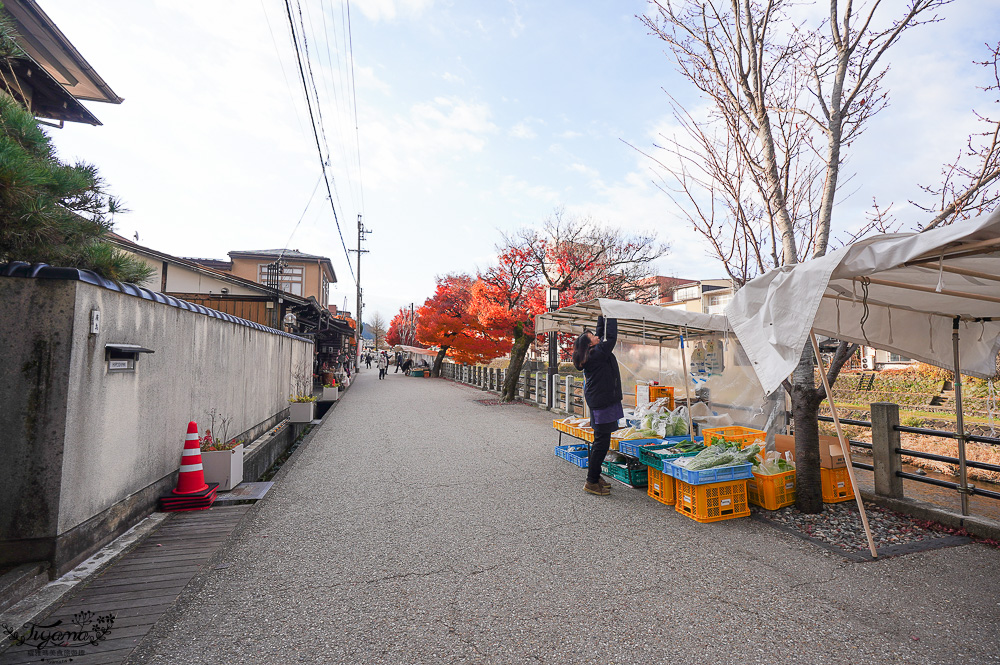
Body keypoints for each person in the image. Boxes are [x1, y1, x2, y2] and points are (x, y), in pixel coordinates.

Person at [572, 315, 622, 496]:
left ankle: (595, 475)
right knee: (601, 442)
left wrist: (604, 315)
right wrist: (613, 314)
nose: (596, 337)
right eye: (592, 336)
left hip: (599, 401)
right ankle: (591, 481)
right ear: (590, 345)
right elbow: (611, 337)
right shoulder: (598, 353)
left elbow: (601, 335)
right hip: (602, 402)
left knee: (600, 441)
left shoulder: (593, 353)